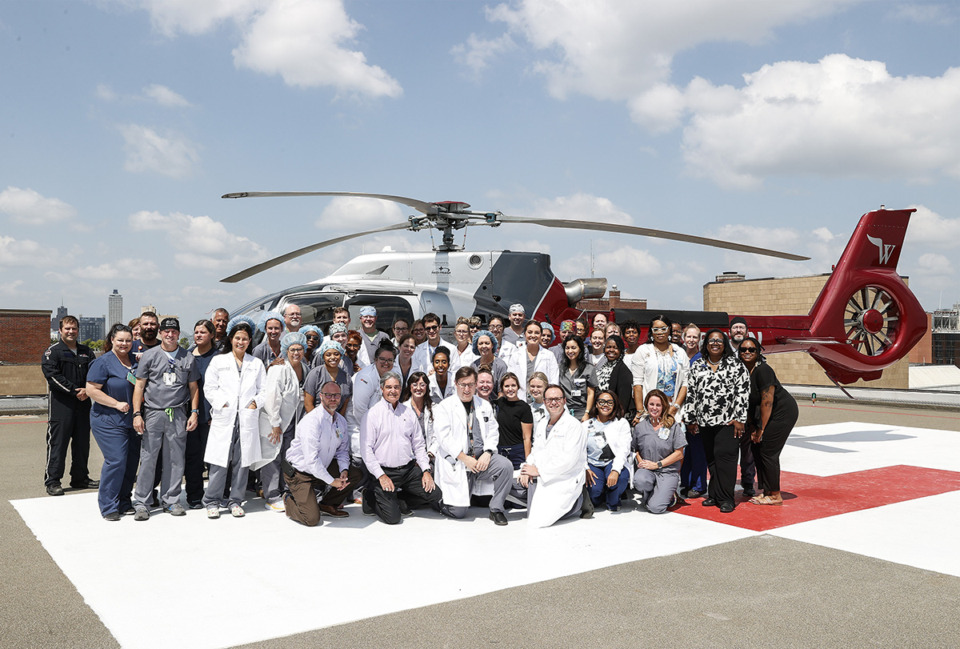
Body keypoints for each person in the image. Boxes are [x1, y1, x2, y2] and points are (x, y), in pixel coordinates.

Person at [131, 317, 201, 519]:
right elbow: (140, 386)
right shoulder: (150, 356)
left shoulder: (187, 358)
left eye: (174, 331)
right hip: (153, 412)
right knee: (148, 457)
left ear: (179, 333)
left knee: (175, 459)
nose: (170, 335)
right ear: (161, 333)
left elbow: (193, 388)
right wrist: (137, 414)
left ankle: (171, 500)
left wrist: (194, 412)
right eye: (166, 331)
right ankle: (142, 502)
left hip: (178, 413)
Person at [201, 318, 267, 518]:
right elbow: (209, 388)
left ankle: (235, 500)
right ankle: (212, 500)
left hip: (246, 417)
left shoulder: (255, 363)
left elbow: (264, 390)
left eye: (245, 339)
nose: (241, 342)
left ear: (249, 341)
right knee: (220, 461)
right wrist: (223, 403)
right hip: (225, 416)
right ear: (231, 339)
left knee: (242, 461)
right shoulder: (219, 361)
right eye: (238, 338)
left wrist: (256, 402)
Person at [433, 366, 514, 525]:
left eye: (470, 384)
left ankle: (496, 509)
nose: (467, 389)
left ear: (476, 384)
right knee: (459, 513)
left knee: (505, 466)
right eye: (463, 384)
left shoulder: (484, 405)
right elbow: (444, 438)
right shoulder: (445, 406)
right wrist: (465, 459)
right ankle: (437, 502)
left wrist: (488, 452)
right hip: (458, 461)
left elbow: (493, 431)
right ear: (455, 383)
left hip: (481, 459)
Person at [360, 372, 443, 524]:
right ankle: (370, 498)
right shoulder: (372, 415)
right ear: (381, 389)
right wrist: (381, 476)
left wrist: (425, 470)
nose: (393, 391)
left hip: (408, 470)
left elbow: (418, 444)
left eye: (396, 387)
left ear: (401, 389)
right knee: (393, 518)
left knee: (435, 494)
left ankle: (399, 500)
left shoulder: (407, 412)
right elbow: (366, 451)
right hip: (385, 472)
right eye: (389, 387)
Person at [683, 329, 750, 514]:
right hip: (704, 422)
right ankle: (714, 494)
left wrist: (739, 418)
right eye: (711, 340)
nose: (715, 343)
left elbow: (743, 393)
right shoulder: (697, 366)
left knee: (726, 460)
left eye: (719, 341)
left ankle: (727, 498)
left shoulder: (735, 365)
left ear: (725, 344)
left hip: (728, 422)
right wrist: (690, 419)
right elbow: (691, 394)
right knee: (712, 459)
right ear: (706, 344)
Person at [283, 380, 363, 526]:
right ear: (321, 396)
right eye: (328, 395)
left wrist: (343, 470)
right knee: (311, 519)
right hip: (300, 472)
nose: (333, 399)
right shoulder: (312, 421)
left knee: (354, 474)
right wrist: (332, 481)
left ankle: (327, 504)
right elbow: (311, 461)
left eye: (336, 395)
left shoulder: (341, 421)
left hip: (321, 467)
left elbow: (342, 451)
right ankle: (289, 499)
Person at [739, 336, 798, 506]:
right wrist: (752, 427)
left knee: (767, 451)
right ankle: (766, 491)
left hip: (782, 412)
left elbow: (767, 401)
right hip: (765, 414)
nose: (747, 352)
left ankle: (775, 495)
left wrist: (761, 429)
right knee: (756, 448)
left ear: (758, 352)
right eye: (743, 350)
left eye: (752, 350)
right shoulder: (744, 372)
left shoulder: (763, 370)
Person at [41, 315, 97, 496]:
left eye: (74, 329)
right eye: (67, 328)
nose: (71, 332)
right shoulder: (53, 352)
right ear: (60, 330)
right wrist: (75, 391)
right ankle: (53, 480)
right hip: (62, 405)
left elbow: (95, 374)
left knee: (82, 443)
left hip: (84, 404)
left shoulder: (87, 352)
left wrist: (88, 390)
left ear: (78, 330)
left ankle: (80, 477)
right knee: (58, 443)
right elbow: (53, 376)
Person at [85, 324, 136, 519]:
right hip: (108, 420)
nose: (124, 344)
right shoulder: (103, 362)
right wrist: (115, 404)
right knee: (116, 460)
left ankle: (124, 501)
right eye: (120, 340)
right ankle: (108, 506)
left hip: (132, 421)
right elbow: (91, 390)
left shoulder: (134, 360)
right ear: (112, 340)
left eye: (128, 340)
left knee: (131, 463)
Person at [521, 385, 588, 528]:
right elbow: (536, 450)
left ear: (564, 401)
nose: (553, 403)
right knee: (517, 485)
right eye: (550, 399)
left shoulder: (573, 426)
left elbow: (569, 461)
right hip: (542, 473)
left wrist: (539, 471)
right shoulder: (542, 423)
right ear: (544, 402)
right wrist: (527, 468)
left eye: (557, 399)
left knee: (538, 521)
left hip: (564, 477)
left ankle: (578, 503)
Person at [259, 332, 309, 512]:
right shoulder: (278, 369)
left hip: (294, 422)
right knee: (273, 457)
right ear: (286, 351)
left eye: (300, 349)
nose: (296, 353)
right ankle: (271, 495)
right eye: (293, 349)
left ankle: (285, 491)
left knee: (289, 458)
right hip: (277, 422)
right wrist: (275, 423)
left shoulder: (305, 368)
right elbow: (272, 397)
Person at [632, 389, 686, 514]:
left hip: (667, 471)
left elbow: (679, 453)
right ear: (646, 405)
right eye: (651, 404)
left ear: (663, 407)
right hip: (648, 470)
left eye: (658, 405)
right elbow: (636, 449)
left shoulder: (672, 425)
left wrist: (658, 465)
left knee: (656, 508)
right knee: (640, 480)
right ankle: (653, 493)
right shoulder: (640, 427)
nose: (654, 408)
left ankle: (669, 495)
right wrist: (641, 462)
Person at [346, 341, 397, 466]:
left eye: (390, 360)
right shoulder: (365, 377)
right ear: (375, 360)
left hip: (380, 429)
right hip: (360, 428)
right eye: (382, 359)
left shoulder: (393, 373)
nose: (386, 363)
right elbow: (359, 411)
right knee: (362, 467)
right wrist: (377, 432)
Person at [630, 316, 688, 425]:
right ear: (651, 332)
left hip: (673, 412)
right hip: (649, 412)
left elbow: (685, 383)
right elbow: (637, 384)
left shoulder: (680, 352)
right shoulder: (643, 351)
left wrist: (675, 408)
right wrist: (640, 411)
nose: (660, 332)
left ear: (669, 329)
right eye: (655, 329)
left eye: (663, 329)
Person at [185, 319, 217, 509]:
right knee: (192, 457)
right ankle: (194, 495)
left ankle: (215, 494)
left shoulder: (219, 358)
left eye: (203, 332)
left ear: (212, 335)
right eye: (196, 332)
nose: (198, 335)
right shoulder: (187, 356)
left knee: (214, 458)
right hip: (190, 416)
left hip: (212, 417)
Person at [584, 390, 632, 512]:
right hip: (593, 463)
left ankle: (613, 498)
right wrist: (585, 468)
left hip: (612, 461)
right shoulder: (585, 425)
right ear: (596, 404)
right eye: (602, 402)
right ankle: (602, 493)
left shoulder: (621, 423)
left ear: (615, 405)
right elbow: (579, 450)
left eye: (610, 402)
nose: (605, 405)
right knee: (594, 493)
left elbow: (623, 449)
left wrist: (615, 470)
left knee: (620, 479)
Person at [728, 316, 757, 498]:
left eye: (741, 328)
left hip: (748, 415)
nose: (738, 330)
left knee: (748, 454)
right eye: (735, 328)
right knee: (728, 453)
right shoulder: (723, 354)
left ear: (747, 331)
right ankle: (727, 483)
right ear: (729, 332)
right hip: (728, 415)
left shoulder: (755, 354)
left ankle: (748, 483)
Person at [679, 323, 707, 498]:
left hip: (694, 411)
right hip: (679, 409)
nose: (691, 340)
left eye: (694, 337)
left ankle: (699, 485)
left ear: (699, 339)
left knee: (697, 450)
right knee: (684, 449)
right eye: (688, 336)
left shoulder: (702, 360)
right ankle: (686, 482)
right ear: (683, 338)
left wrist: (694, 416)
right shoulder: (679, 356)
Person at [495, 372, 533, 469]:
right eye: (507, 386)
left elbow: (527, 438)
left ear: (518, 387)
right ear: (502, 388)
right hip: (501, 452)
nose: (510, 389)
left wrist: (528, 462)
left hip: (518, 453)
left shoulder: (524, 407)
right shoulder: (499, 403)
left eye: (513, 385)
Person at [304, 340, 351, 417]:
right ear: (323, 357)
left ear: (341, 355)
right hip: (315, 419)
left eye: (336, 354)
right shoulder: (315, 374)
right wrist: (318, 422)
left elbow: (345, 402)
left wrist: (336, 421)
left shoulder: (346, 377)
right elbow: (308, 403)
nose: (333, 357)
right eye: (328, 355)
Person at [516, 320, 559, 400]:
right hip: (520, 400)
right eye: (530, 332)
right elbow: (512, 380)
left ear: (540, 335)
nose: (533, 335)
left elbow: (554, 381)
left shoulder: (549, 356)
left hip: (543, 401)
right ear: (525, 334)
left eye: (537, 333)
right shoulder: (516, 354)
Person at [596, 335, 635, 423]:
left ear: (621, 351)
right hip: (602, 414)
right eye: (608, 347)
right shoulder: (602, 367)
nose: (611, 350)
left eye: (615, 348)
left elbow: (623, 401)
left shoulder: (623, 370)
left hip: (614, 418)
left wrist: (615, 418)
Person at [558, 334, 596, 421]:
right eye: (567, 348)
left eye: (573, 347)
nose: (570, 351)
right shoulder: (560, 368)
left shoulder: (589, 368)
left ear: (580, 349)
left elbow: (591, 394)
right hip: (564, 413)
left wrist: (587, 413)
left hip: (582, 413)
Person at [401, 371, 436, 459]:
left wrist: (430, 453)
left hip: (430, 457)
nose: (418, 388)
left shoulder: (435, 408)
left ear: (427, 387)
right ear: (410, 387)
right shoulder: (402, 409)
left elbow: (438, 435)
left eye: (422, 385)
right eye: (415, 384)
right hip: (409, 459)